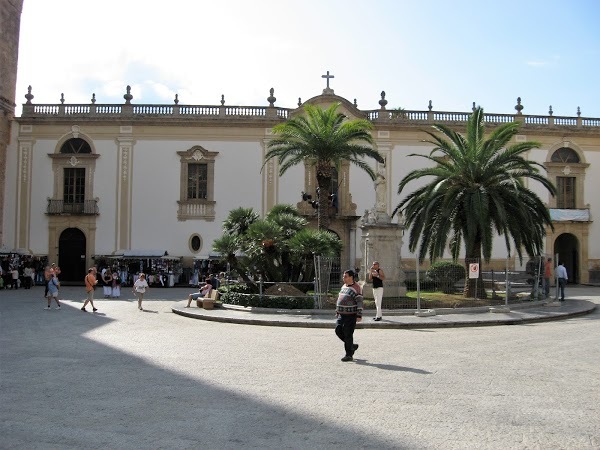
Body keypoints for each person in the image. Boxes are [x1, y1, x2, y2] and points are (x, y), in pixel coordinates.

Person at [335, 269, 363, 362]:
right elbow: (340, 298)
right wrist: (337, 310)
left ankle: (349, 355)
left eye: (345, 276)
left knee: (348, 334)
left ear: (351, 277)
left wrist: (359, 315)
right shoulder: (344, 286)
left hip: (351, 315)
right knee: (338, 330)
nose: (344, 278)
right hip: (341, 314)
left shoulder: (357, 287)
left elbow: (359, 302)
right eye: (343, 276)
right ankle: (351, 346)